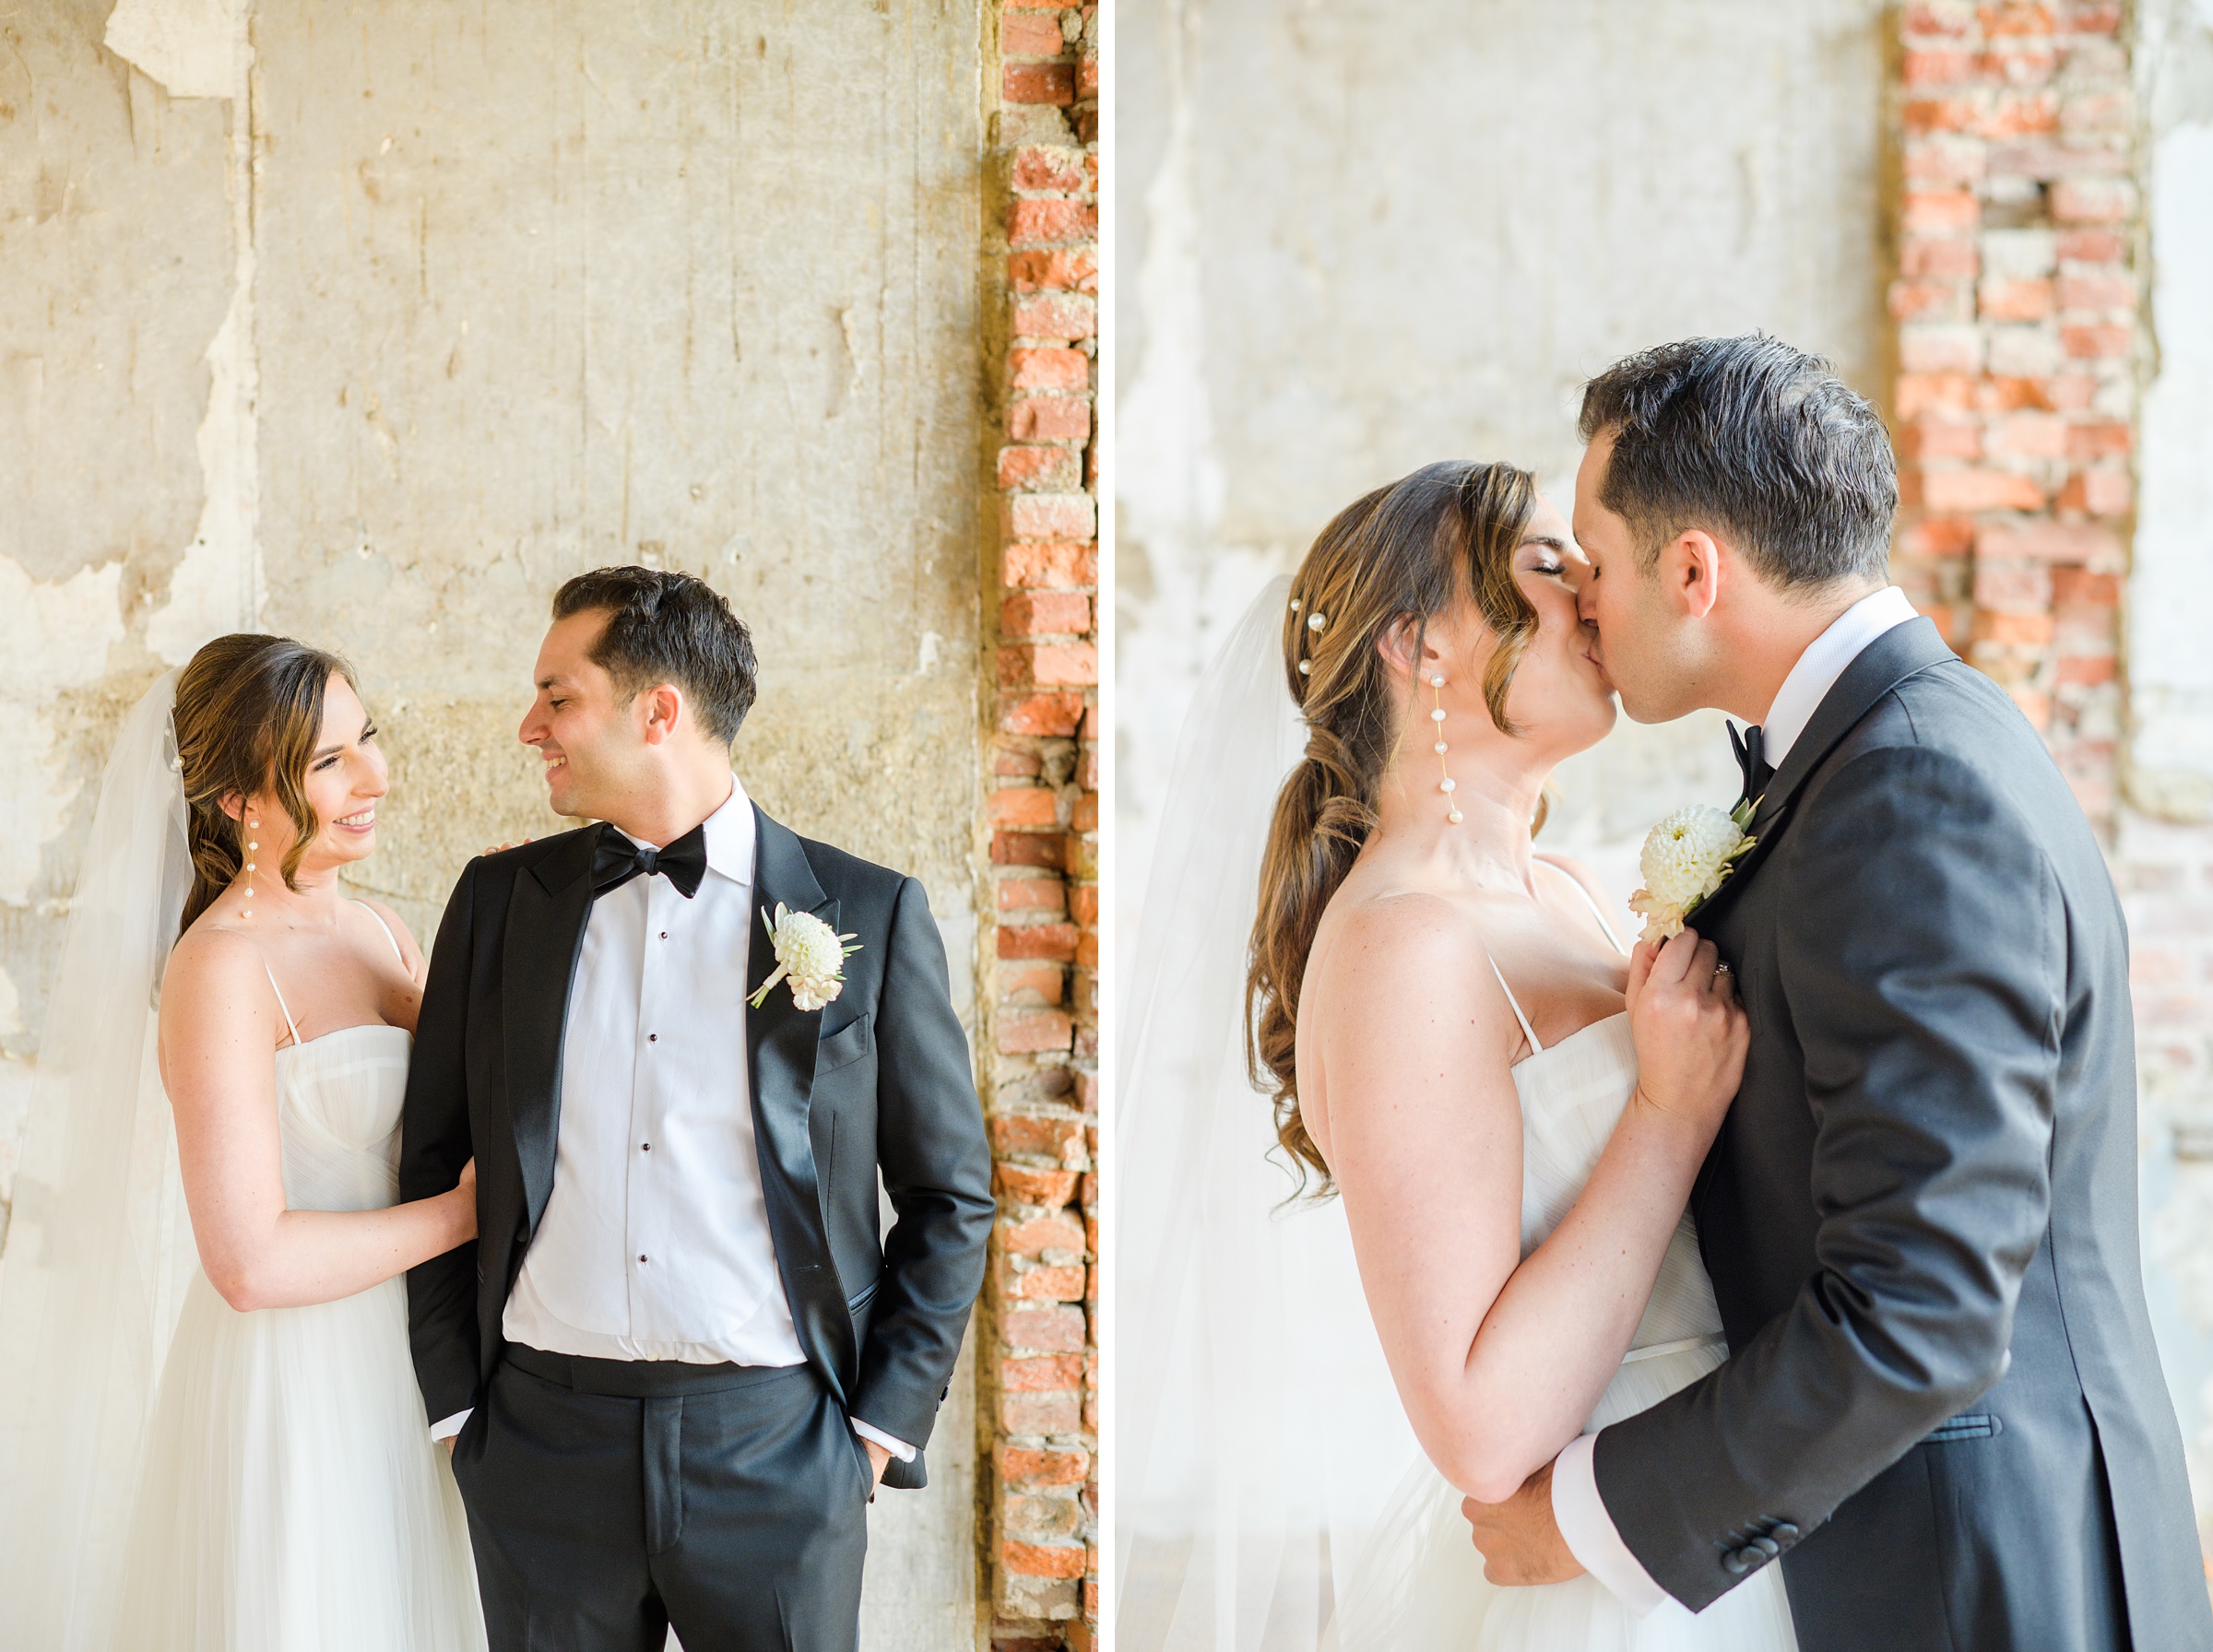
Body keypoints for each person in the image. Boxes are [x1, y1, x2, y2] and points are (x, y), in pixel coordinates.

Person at [1461, 336, 2211, 1651]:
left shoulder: (1911, 792)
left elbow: (1923, 1302)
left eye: (1600, 561)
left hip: (1984, 1580)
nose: (1583, 602)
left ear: (1694, 571)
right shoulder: (1886, 751)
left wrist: (1587, 1516)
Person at [1118, 461, 1797, 1652]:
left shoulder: (1579, 891)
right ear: (1416, 646)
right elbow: (1478, 1424)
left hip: (1732, 1506)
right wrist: (1668, 1114)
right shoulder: (1401, 952)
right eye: (1546, 567)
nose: (1591, 594)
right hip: (1614, 1585)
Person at [399, 565, 994, 1652]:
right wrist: (459, 1413)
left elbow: (951, 1196)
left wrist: (870, 1432)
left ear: (657, 710)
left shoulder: (868, 913)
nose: (531, 725)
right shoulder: (496, 905)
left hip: (778, 1453)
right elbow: (432, 1156)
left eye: (558, 696)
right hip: (538, 1450)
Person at [0, 634, 486, 1652]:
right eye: (326, 762)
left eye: (368, 739)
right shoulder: (218, 970)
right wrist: (461, 1214)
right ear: (235, 800)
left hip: (415, 1371)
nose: (373, 777)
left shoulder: (387, 933)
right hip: (298, 1381)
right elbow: (249, 1260)